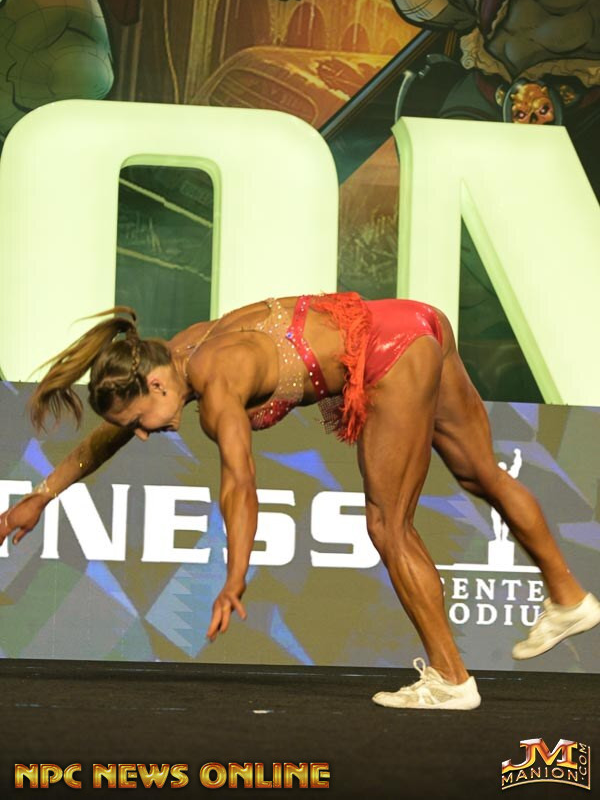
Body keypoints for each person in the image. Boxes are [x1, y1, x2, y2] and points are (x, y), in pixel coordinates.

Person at [1, 293, 598, 710]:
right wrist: (41, 496)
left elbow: (239, 483)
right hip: (419, 322)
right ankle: (570, 599)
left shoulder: (217, 380)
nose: (139, 434)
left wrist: (235, 578)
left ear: (156, 385)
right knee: (480, 473)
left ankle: (451, 678)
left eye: (138, 421)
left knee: (388, 524)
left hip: (391, 354)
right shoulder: (175, 353)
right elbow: (105, 438)